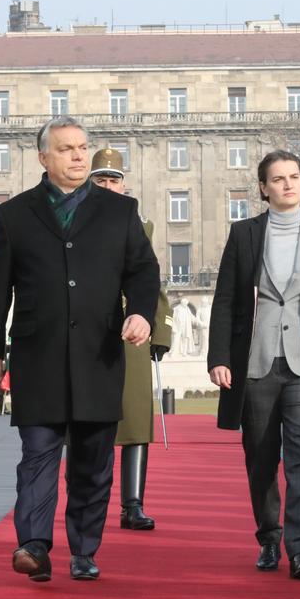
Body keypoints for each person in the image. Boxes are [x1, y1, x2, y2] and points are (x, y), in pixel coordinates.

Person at [0, 116, 160, 583]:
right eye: (66, 149)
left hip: (100, 355)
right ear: (43, 158)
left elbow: (143, 271)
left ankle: (84, 548)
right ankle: (34, 545)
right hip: (38, 356)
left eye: (82, 147)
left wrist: (139, 312)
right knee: (37, 453)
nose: (79, 156)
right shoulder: (16, 214)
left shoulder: (120, 211)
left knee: (92, 463)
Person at [207, 149, 300, 580]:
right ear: (264, 188)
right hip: (256, 364)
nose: (288, 184)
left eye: (294, 176)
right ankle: (269, 538)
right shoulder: (245, 234)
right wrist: (218, 358)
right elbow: (226, 301)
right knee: (261, 458)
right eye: (278, 179)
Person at [88, 147, 174, 532]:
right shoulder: (74, 224)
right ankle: (92, 502)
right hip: (88, 334)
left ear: (125, 186)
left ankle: (133, 504)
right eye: (100, 180)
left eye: (113, 180)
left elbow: (151, 281)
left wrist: (161, 329)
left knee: (137, 419)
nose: (108, 186)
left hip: (133, 332)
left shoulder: (143, 227)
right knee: (92, 422)